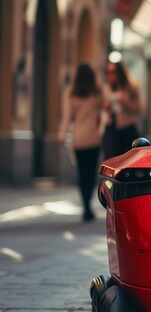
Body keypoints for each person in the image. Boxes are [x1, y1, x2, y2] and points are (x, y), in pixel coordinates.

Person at [58, 63, 102, 222]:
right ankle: (88, 205)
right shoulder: (97, 93)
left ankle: (85, 205)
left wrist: (62, 134)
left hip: (78, 138)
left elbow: (67, 117)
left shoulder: (72, 93)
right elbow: (105, 110)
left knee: (82, 173)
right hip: (94, 138)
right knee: (90, 174)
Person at [102, 61, 141, 158]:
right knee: (111, 158)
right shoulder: (106, 88)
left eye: (113, 72)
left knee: (126, 158)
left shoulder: (131, 87)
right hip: (111, 127)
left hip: (127, 128)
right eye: (108, 72)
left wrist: (125, 102)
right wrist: (106, 107)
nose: (110, 76)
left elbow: (138, 108)